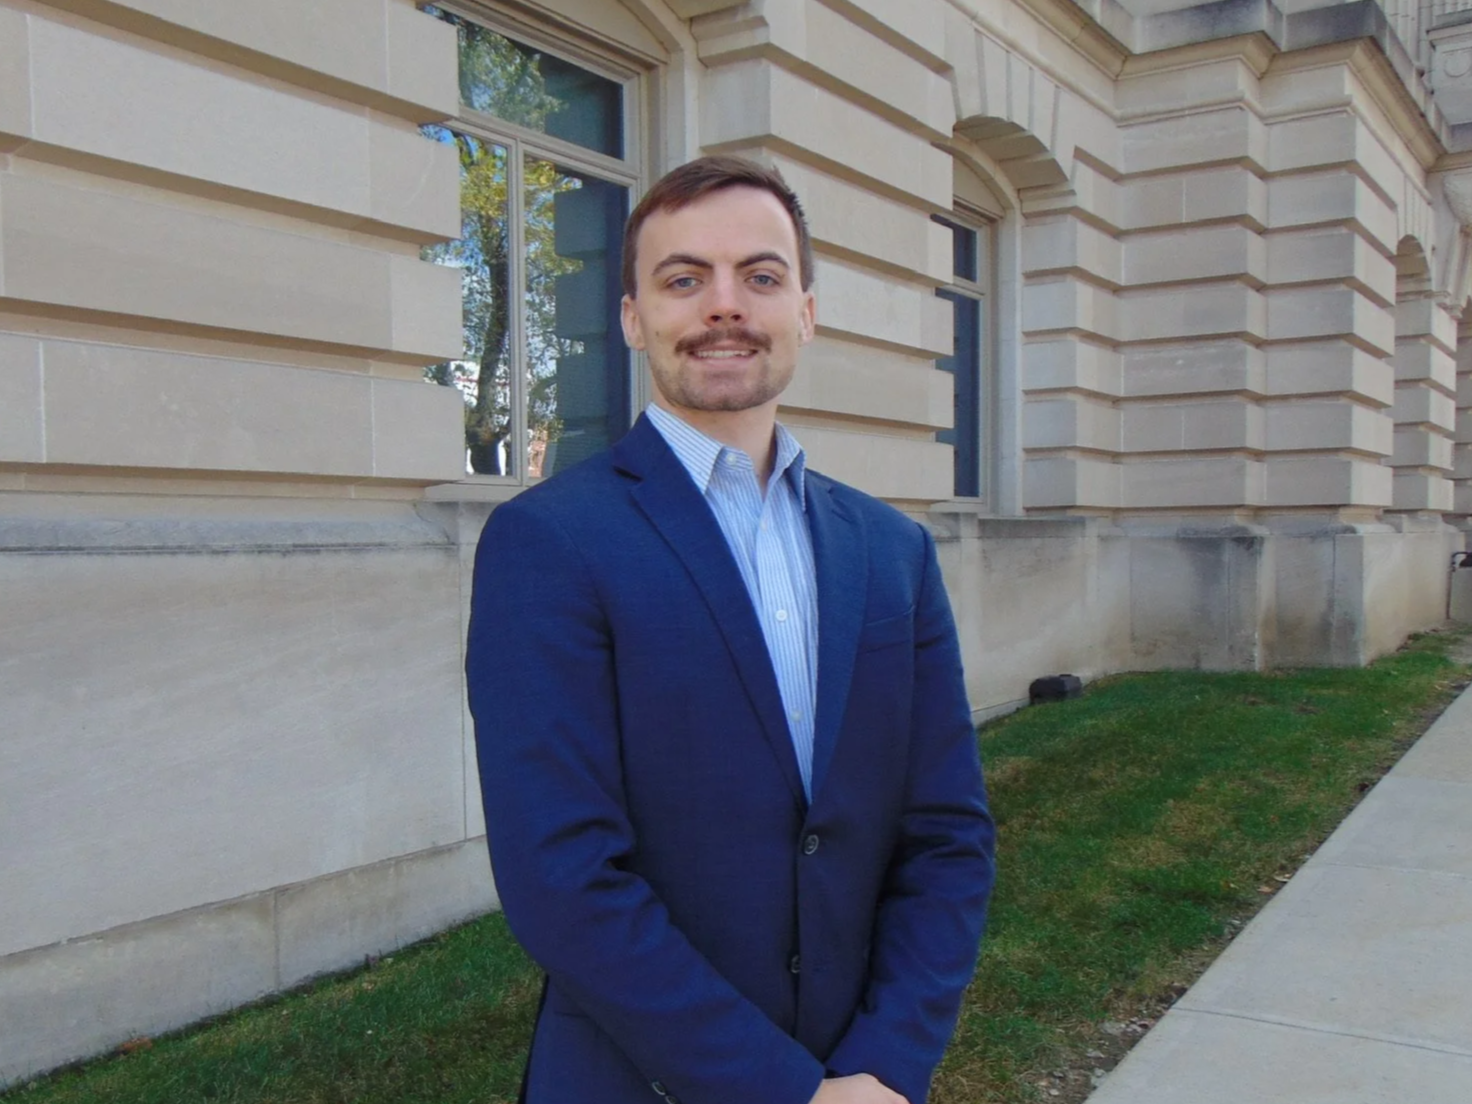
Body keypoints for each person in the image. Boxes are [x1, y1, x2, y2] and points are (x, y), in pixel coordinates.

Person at [466, 155, 995, 1104]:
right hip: (638, 1080)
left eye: (760, 275)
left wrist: (886, 1066)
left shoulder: (893, 552)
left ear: (806, 311)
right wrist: (783, 1091)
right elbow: (562, 875)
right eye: (682, 279)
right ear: (633, 319)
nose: (724, 306)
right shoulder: (548, 543)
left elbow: (948, 834)